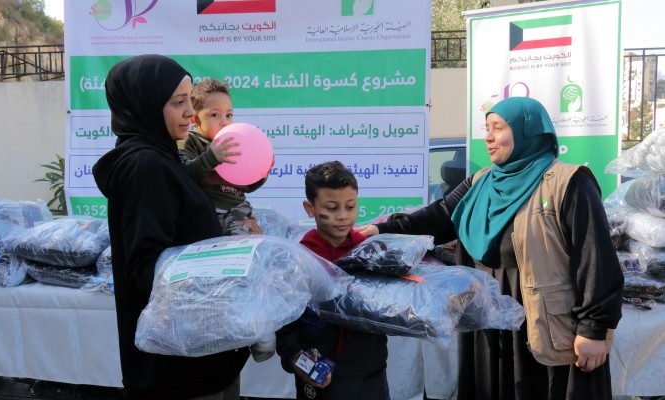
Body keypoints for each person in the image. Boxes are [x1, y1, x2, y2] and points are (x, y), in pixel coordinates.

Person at [358, 97, 623, 400]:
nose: (488, 137)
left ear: (528, 132)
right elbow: (441, 216)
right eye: (487, 128)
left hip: (546, 323)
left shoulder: (568, 183)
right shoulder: (482, 182)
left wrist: (593, 329)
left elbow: (595, 259)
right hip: (490, 324)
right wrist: (382, 229)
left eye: (499, 128)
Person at [92, 55, 249, 399]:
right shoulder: (145, 166)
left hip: (197, 353)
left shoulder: (163, 156)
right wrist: (221, 269)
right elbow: (146, 268)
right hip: (179, 369)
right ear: (146, 106)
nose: (191, 113)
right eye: (178, 103)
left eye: (189, 101)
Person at [276, 161, 390, 400]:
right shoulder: (300, 258)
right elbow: (284, 321)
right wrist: (295, 356)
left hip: (370, 372)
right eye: (332, 207)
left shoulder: (369, 252)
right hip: (319, 374)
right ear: (310, 208)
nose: (343, 216)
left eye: (350, 206)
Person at [178, 78, 266, 235]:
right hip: (212, 214)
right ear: (195, 119)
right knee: (241, 237)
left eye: (229, 115)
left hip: (241, 210)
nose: (224, 122)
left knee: (262, 238)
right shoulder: (190, 140)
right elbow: (183, 174)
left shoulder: (233, 144)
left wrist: (261, 174)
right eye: (215, 115)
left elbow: (245, 186)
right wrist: (211, 157)